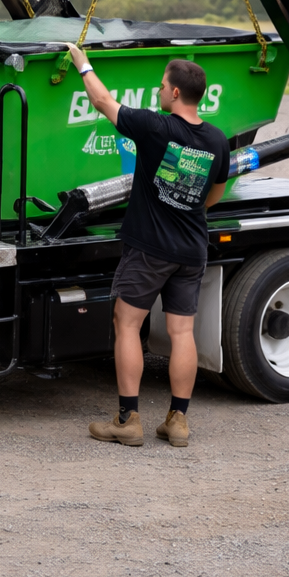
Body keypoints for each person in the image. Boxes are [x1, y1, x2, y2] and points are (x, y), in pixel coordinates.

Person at [64, 44, 230, 448]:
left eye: (161, 86)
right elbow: (215, 193)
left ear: (175, 93)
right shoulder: (218, 140)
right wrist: (184, 206)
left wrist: (80, 61)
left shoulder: (157, 128)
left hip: (150, 249)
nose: (158, 91)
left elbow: (102, 101)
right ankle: (178, 421)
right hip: (192, 248)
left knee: (127, 323)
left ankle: (127, 420)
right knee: (182, 332)